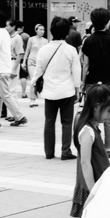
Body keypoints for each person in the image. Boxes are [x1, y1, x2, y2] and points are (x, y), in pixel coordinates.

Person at [32, 17, 81, 160]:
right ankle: (65, 151)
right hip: (67, 91)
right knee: (67, 122)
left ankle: (49, 152)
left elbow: (38, 70)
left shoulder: (43, 49)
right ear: (66, 32)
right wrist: (77, 88)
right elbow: (76, 71)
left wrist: (33, 85)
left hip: (49, 91)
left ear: (51, 31)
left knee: (49, 121)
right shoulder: (71, 50)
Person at [70, 84, 110, 218]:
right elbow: (85, 164)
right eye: (109, 111)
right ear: (96, 106)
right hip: (93, 186)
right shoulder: (87, 131)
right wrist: (93, 193)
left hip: (98, 183)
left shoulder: (92, 127)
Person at [81, 8, 110, 157]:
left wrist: (82, 82)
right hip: (109, 82)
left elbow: (86, 65)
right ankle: (108, 148)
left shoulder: (88, 41)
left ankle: (94, 144)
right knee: (109, 117)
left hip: (92, 82)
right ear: (107, 23)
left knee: (93, 115)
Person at [0, 11, 27, 127]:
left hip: (0, 69)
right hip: (2, 67)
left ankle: (20, 116)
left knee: (4, 95)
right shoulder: (4, 32)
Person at [23, 24, 48, 107]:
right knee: (33, 80)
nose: (42, 31)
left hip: (41, 63)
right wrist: (24, 62)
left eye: (43, 30)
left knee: (39, 81)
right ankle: (32, 99)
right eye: (40, 29)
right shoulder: (31, 39)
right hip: (32, 62)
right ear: (36, 30)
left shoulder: (45, 41)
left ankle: (37, 96)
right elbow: (27, 51)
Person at [6, 17, 25, 104]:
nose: (6, 28)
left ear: (13, 27)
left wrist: (14, 69)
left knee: (11, 89)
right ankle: (13, 111)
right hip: (7, 62)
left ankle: (16, 111)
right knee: (7, 89)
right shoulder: (7, 36)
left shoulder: (17, 38)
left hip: (13, 62)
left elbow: (20, 54)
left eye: (7, 26)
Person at [15, 20, 30, 99]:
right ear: (23, 27)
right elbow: (29, 47)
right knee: (23, 76)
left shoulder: (13, 35)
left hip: (14, 58)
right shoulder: (26, 36)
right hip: (24, 58)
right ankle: (23, 93)